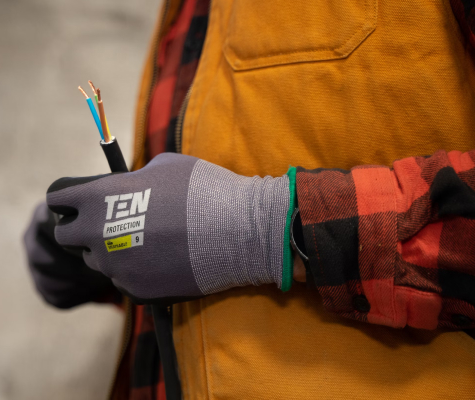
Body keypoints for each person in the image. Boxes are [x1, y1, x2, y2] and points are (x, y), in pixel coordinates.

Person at [24, 0, 475, 399]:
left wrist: (266, 226)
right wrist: (109, 260)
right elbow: (194, 254)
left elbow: (215, 230)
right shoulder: (184, 14)